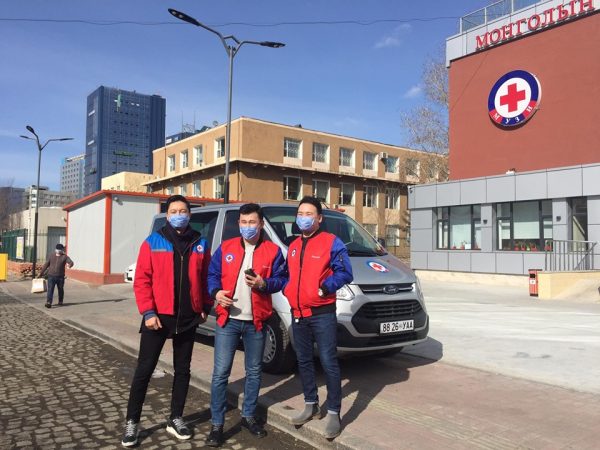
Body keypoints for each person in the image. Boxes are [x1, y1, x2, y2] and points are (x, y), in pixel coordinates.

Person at [121, 195, 211, 447]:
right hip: (158, 318)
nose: (178, 215)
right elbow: (142, 280)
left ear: (189, 215)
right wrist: (148, 312)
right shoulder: (153, 241)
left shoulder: (200, 243)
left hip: (188, 318)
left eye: (183, 211)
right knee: (144, 370)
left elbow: (205, 277)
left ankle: (176, 418)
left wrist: (205, 306)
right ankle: (132, 422)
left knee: (183, 370)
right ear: (167, 214)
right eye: (174, 211)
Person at [205, 203, 287, 447]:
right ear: (238, 223)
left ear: (261, 224)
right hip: (228, 321)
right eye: (243, 222)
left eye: (252, 222)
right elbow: (211, 275)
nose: (247, 226)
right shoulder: (226, 247)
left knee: (254, 372)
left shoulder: (273, 251)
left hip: (256, 322)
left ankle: (248, 416)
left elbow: (282, 279)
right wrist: (216, 292)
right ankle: (217, 424)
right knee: (221, 373)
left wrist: (264, 284)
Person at [283, 196, 353, 439]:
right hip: (298, 313)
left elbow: (345, 272)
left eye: (309, 214)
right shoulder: (293, 246)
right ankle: (311, 404)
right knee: (303, 360)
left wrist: (325, 287)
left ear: (319, 218)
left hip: (322, 313)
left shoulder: (332, 242)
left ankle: (333, 412)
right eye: (300, 214)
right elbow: (287, 276)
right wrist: (286, 290)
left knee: (328, 361)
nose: (303, 218)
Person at [40, 243, 74, 308]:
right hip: (51, 276)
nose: (58, 250)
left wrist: (70, 265)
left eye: (60, 249)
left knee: (60, 289)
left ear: (62, 250)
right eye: (57, 249)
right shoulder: (51, 256)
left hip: (60, 276)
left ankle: (60, 301)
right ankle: (49, 302)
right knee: (50, 289)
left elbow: (71, 262)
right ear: (55, 249)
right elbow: (46, 264)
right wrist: (41, 273)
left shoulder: (65, 257)